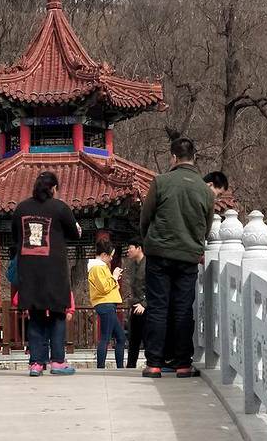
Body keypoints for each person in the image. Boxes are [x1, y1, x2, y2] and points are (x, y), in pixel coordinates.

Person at [140, 136, 214, 379]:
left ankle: (154, 364)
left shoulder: (161, 182)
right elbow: (206, 226)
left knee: (158, 308)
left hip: (159, 253)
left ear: (173, 157)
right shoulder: (205, 190)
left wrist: (149, 241)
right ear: (194, 157)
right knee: (183, 309)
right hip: (188, 256)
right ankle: (183, 363)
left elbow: (146, 217)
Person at [12, 171, 81, 377]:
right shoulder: (60, 208)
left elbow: (15, 236)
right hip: (54, 270)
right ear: (54, 188)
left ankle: (36, 363)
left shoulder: (21, 208)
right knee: (58, 313)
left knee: (35, 314)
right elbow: (74, 233)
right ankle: (57, 361)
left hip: (29, 270)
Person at [88, 238, 126, 369]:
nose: (111, 258)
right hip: (105, 304)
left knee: (120, 337)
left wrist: (114, 279)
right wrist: (114, 277)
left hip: (107, 304)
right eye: (110, 255)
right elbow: (104, 288)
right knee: (106, 337)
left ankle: (118, 367)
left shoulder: (99, 267)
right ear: (104, 254)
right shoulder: (97, 268)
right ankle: (101, 367)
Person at [125, 237, 146, 369]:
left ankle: (153, 363)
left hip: (146, 306)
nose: (128, 251)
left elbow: (153, 286)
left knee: (148, 337)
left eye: (130, 248)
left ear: (139, 248)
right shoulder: (132, 265)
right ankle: (131, 365)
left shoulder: (148, 264)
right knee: (133, 338)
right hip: (134, 305)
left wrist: (144, 303)